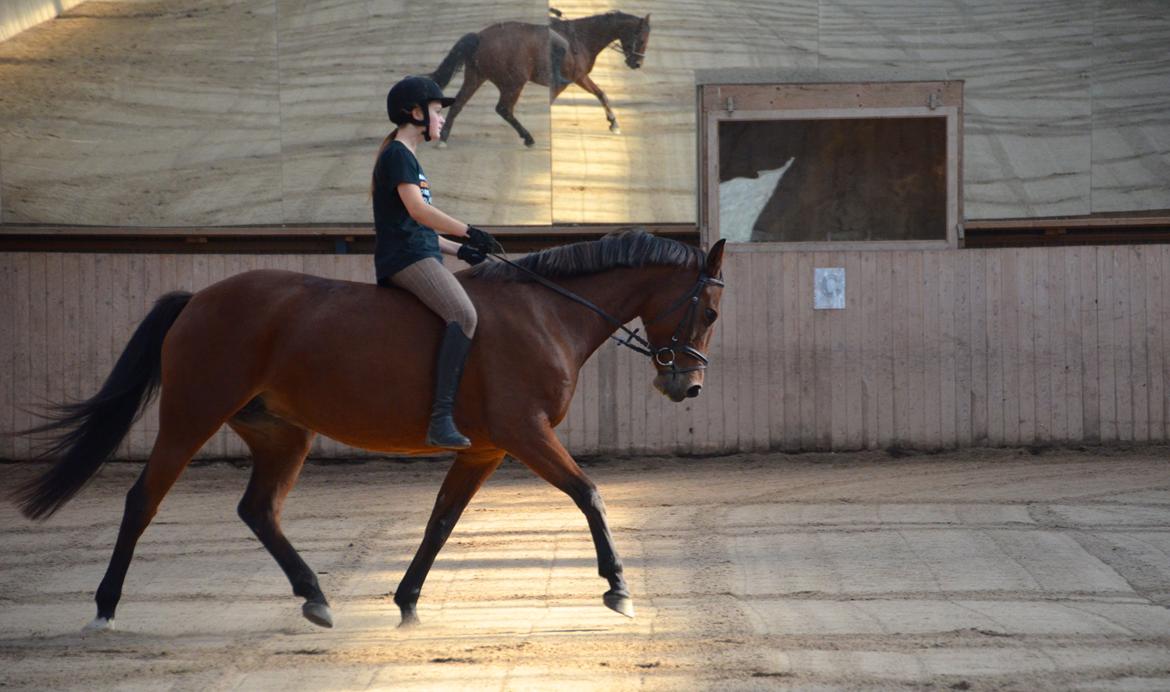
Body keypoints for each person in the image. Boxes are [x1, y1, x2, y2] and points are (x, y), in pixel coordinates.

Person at [371, 75, 502, 449]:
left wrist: (461, 250)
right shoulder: (398, 154)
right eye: (436, 112)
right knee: (464, 315)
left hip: (419, 251)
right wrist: (468, 230)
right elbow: (418, 210)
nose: (442, 119)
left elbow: (415, 224)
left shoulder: (409, 159)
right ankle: (441, 417)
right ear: (414, 113)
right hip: (406, 259)